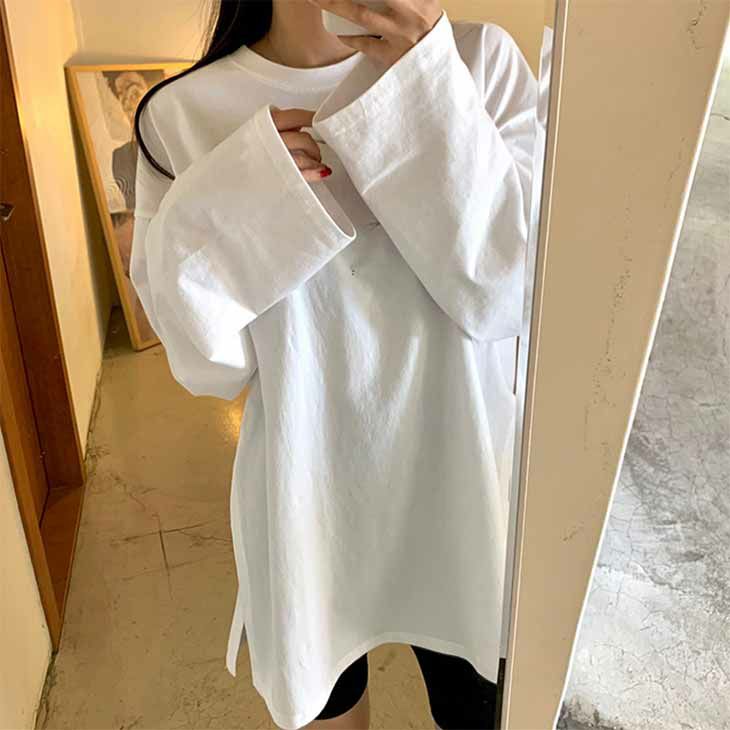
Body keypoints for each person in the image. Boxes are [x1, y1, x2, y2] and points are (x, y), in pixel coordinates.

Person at [130, 1, 537, 728]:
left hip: (468, 483)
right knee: (329, 702)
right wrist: (237, 196)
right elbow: (204, 363)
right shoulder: (182, 113)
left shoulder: (480, 61)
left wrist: (427, 84)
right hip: (309, 491)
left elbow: (509, 295)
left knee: (486, 707)